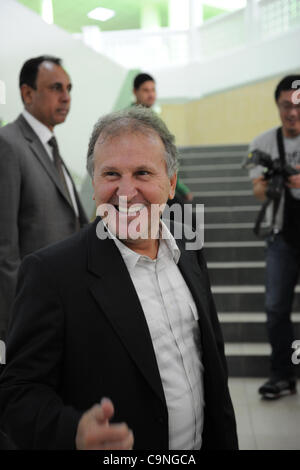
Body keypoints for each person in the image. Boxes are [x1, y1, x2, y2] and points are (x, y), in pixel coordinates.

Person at [0, 107, 238, 450]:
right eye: (111, 174)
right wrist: (71, 431)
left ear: (171, 184)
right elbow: (17, 393)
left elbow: (211, 361)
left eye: (142, 173)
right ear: (94, 185)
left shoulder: (189, 248)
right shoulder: (51, 274)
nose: (126, 192)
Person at [0, 55, 88, 340]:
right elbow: (5, 247)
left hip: (66, 306)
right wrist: (19, 322)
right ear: (27, 93)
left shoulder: (50, 145)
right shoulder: (8, 144)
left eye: (69, 88)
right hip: (33, 315)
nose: (66, 97)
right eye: (56, 88)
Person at [248, 75, 300, 399]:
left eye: (296, 106)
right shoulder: (262, 143)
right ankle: (281, 374)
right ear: (277, 106)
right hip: (281, 236)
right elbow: (257, 191)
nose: (292, 113)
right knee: (276, 308)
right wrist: (273, 183)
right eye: (285, 106)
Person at [133, 72, 194, 220]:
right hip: (139, 183)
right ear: (135, 92)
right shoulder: (126, 120)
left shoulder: (155, 120)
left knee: (186, 220)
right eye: (146, 90)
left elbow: (165, 157)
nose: (151, 94)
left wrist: (180, 187)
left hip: (157, 180)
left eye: (153, 90)